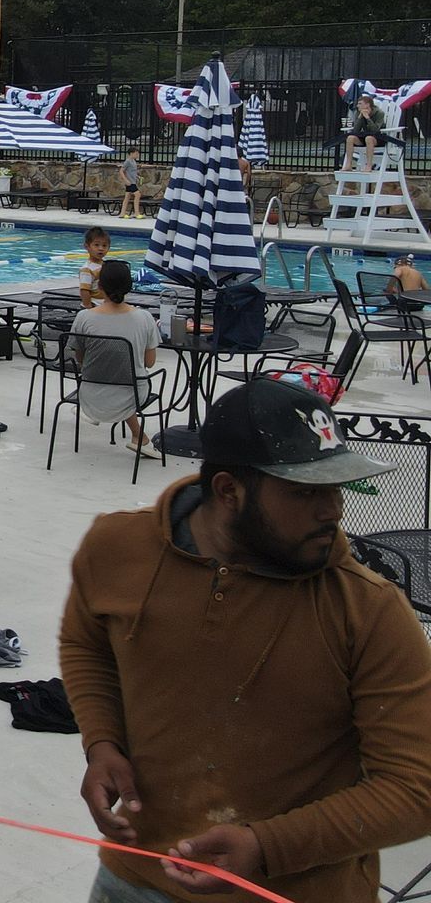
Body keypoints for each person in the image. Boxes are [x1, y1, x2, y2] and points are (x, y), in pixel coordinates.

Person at [59, 379, 431, 902]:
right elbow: (87, 645)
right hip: (135, 877)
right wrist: (102, 741)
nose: (333, 510)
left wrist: (267, 845)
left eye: (336, 487)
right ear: (229, 490)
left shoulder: (369, 611)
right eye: (305, 491)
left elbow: (417, 789)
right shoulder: (116, 547)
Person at [66, 260, 162, 458]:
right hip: (133, 395)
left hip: (89, 394)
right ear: (129, 287)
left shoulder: (84, 317)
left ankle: (140, 438)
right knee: (128, 377)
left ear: (99, 286)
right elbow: (149, 362)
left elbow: (80, 358)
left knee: (114, 375)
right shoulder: (144, 318)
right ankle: (140, 438)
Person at [342, 93, 396, 178]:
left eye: (360, 104)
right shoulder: (358, 112)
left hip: (378, 138)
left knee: (369, 138)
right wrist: (360, 117)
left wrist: (367, 118)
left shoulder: (379, 113)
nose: (357, 105)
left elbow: (375, 130)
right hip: (364, 137)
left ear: (367, 105)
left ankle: (369, 165)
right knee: (350, 138)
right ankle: (348, 165)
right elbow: (355, 131)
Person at [78, 226, 111, 307]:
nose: (101, 248)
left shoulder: (105, 264)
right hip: (94, 303)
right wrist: (88, 307)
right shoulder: (87, 269)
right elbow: (85, 290)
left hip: (105, 303)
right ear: (87, 247)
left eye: (104, 245)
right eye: (96, 245)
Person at [118, 147, 142, 219]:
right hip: (130, 182)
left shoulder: (133, 161)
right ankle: (136, 213)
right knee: (138, 194)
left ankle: (122, 213)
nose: (138, 155)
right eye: (136, 153)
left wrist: (138, 177)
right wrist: (125, 180)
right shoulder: (127, 161)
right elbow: (121, 171)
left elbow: (132, 172)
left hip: (133, 181)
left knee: (127, 197)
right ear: (131, 153)